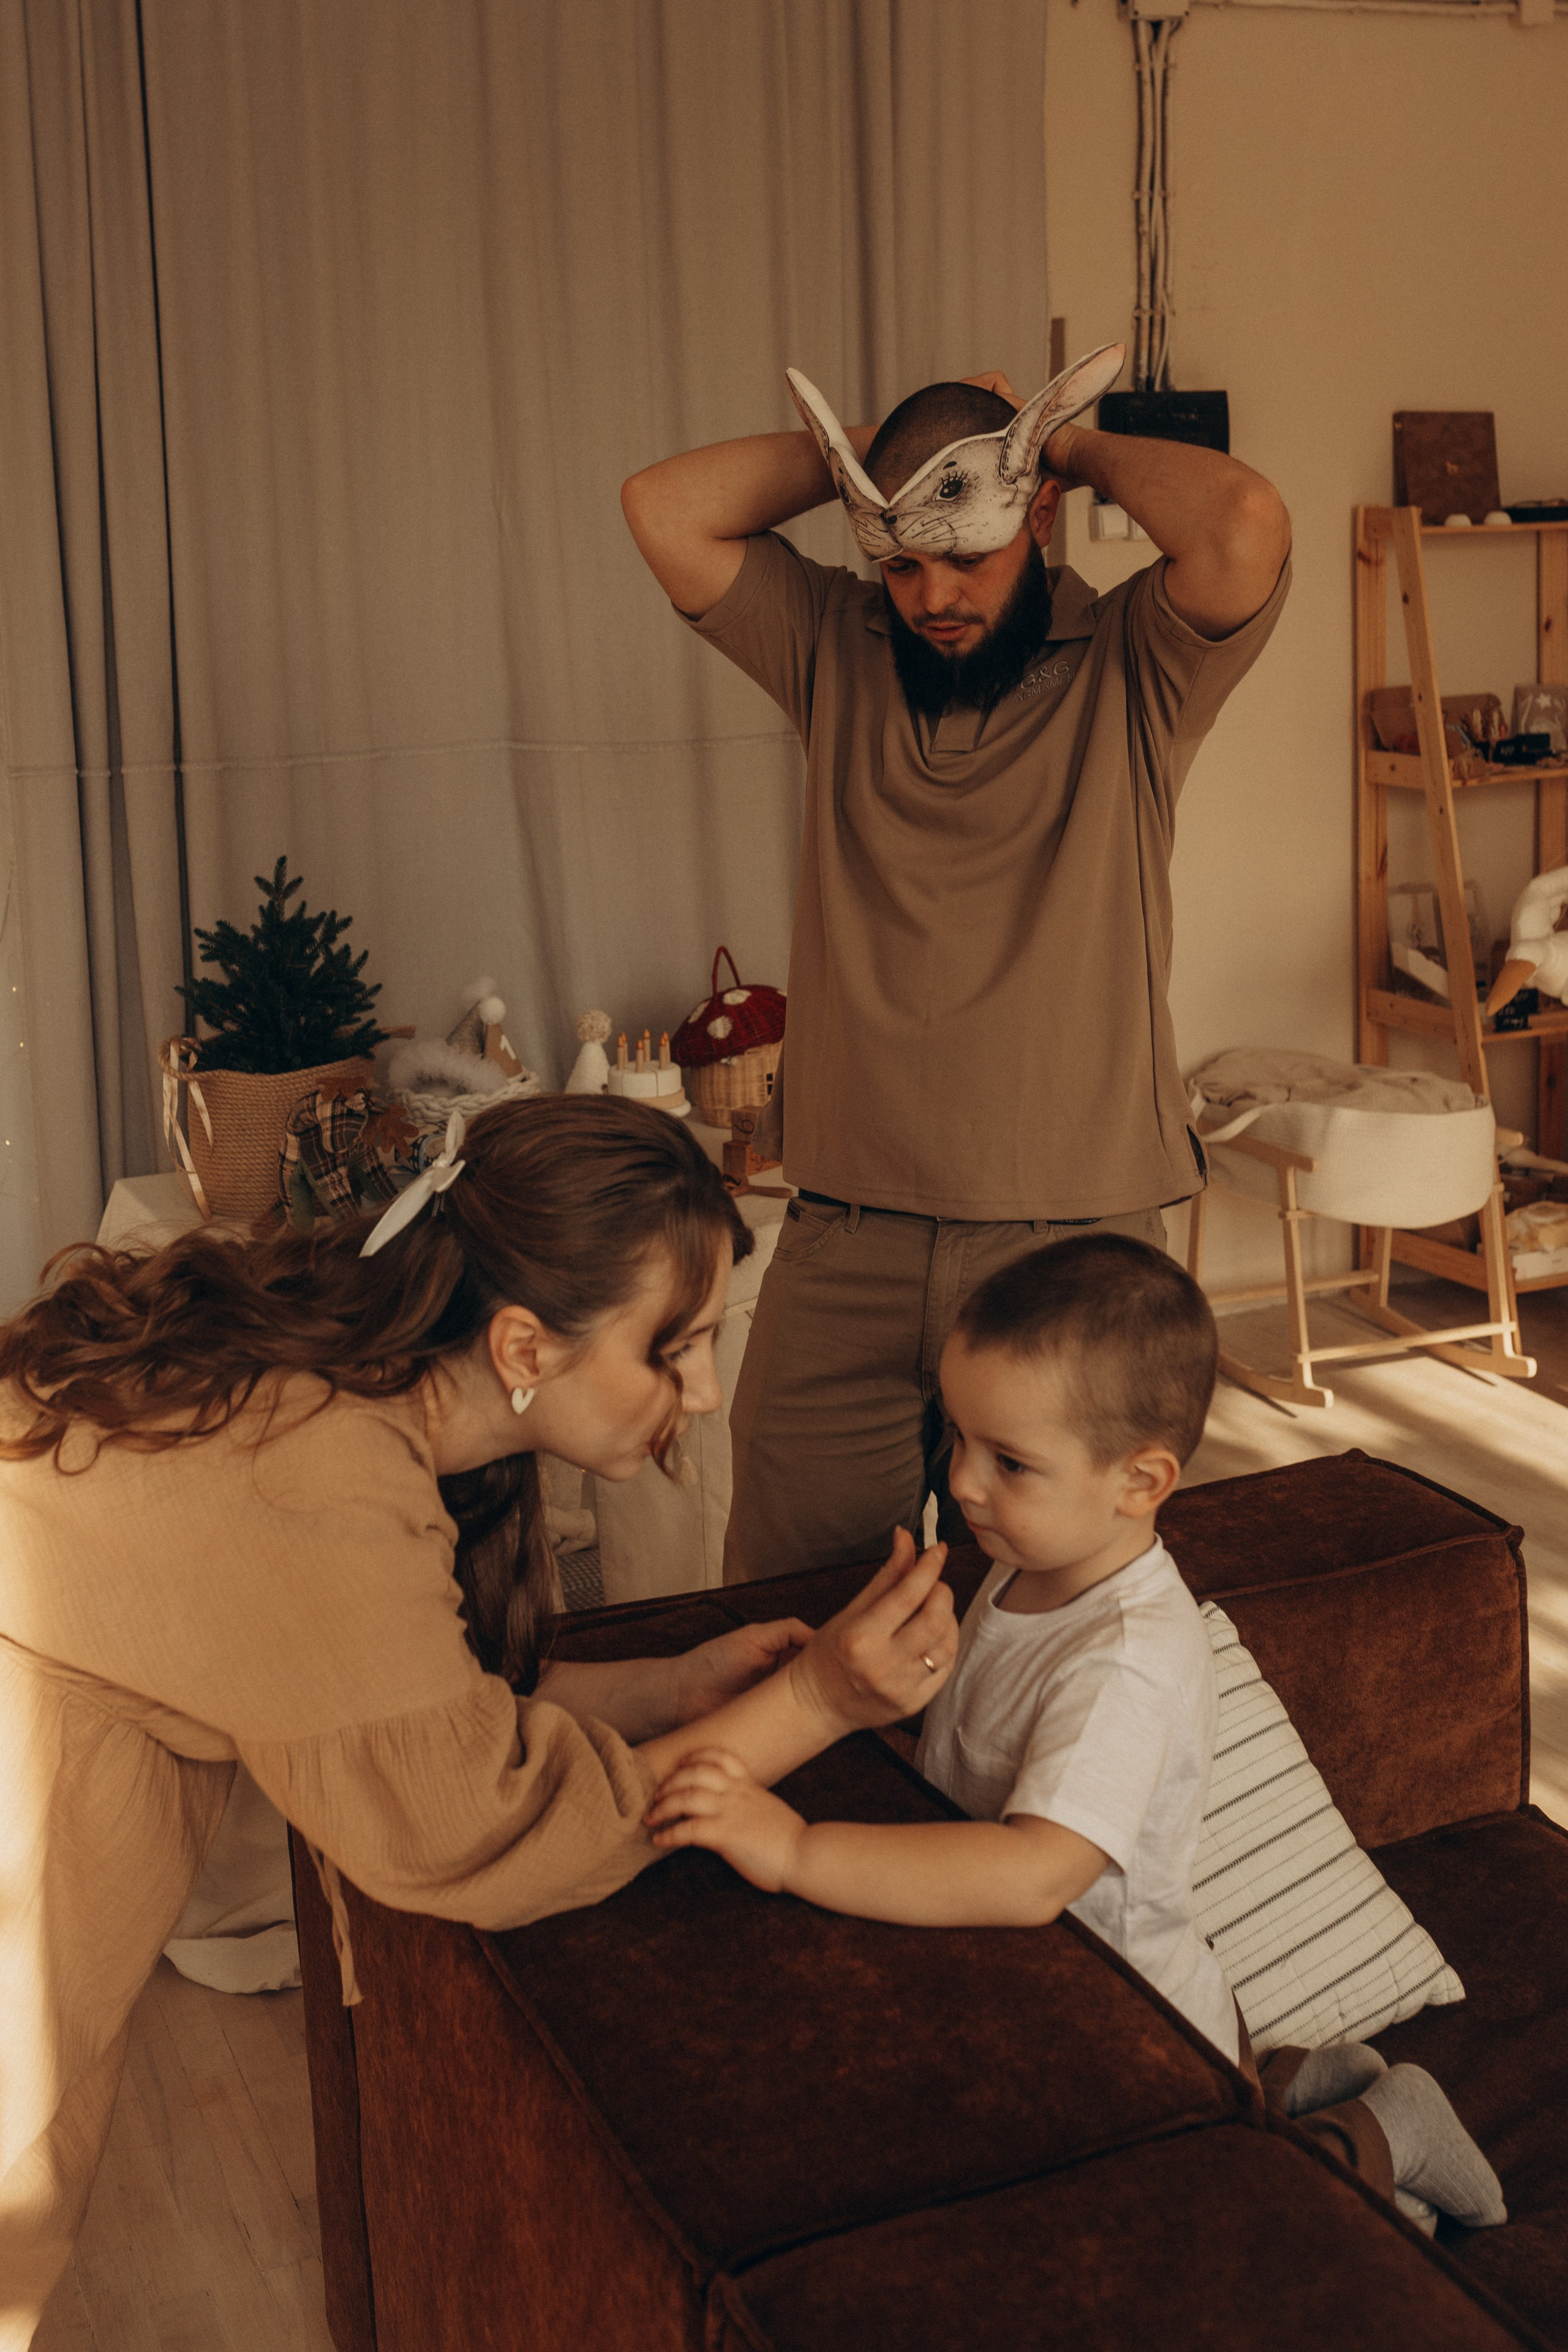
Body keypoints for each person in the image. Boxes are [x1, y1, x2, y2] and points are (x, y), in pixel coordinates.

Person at [0, 1095, 957, 2347]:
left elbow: (406, 1698)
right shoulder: (323, 1477)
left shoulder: (377, 1396)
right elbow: (480, 1830)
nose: (706, 1394)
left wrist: (667, 1689)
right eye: (673, 1349)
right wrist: (817, 1700)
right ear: (521, 1348)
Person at [646, 1233, 1508, 2235]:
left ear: (1140, 1483)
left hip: (1139, 2031)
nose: (962, 1482)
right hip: (1082, 1989)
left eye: (1009, 1461)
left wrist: (793, 1849)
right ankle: (1295, 2077)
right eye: (957, 1436)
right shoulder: (1033, 1558)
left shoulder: (1128, 1659)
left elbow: (1035, 1874)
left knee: (1236, 2223)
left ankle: (1382, 2130)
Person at [622, 349, 1294, 1585]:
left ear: (1037, 518)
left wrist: (1055, 438)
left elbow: (1243, 522)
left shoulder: (1136, 663)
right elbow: (661, 507)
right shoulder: (834, 643)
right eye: (900, 557)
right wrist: (879, 461)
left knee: (1050, 1625)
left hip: (1071, 1235)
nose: (930, 591)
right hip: (844, 1234)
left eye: (966, 549)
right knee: (785, 1609)